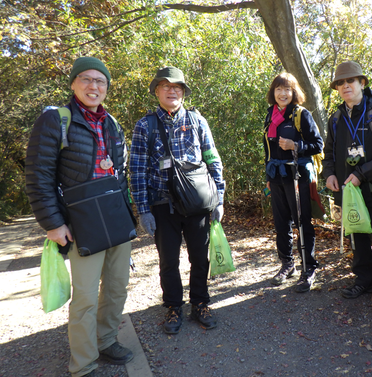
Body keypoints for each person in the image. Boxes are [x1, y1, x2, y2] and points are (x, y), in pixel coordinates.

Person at [25, 57, 133, 376]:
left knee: (117, 288)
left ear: (106, 88)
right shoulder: (56, 119)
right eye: (86, 79)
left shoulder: (112, 123)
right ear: (73, 84)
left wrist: (130, 218)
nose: (93, 86)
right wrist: (53, 224)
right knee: (85, 297)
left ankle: (107, 340)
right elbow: (38, 174)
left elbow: (122, 174)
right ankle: (84, 363)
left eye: (100, 81)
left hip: (115, 217)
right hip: (81, 222)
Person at [130, 66, 225, 334]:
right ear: (156, 91)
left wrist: (219, 197)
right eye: (166, 86)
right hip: (162, 205)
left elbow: (212, 158)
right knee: (168, 260)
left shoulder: (197, 121)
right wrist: (143, 210)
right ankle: (173, 306)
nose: (172, 90)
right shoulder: (144, 125)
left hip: (196, 203)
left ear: (183, 92)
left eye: (177, 87)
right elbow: (136, 169)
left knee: (200, 258)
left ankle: (200, 303)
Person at [322, 61, 372, 315]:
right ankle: (364, 281)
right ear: (337, 88)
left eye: (351, 81)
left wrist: (360, 174)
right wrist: (329, 174)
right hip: (347, 192)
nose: (346, 86)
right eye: (341, 83)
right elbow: (328, 153)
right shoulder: (336, 119)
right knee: (357, 239)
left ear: (362, 83)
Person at [263, 72, 324, 293]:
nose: (282, 93)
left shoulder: (301, 115)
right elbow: (267, 149)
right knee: (281, 224)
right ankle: (287, 264)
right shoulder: (271, 115)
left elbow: (318, 144)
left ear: (293, 92)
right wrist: (269, 178)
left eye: (287, 89)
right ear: (274, 92)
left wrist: (295, 145)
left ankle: (309, 268)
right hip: (277, 176)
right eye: (278, 89)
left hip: (298, 177)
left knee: (302, 223)